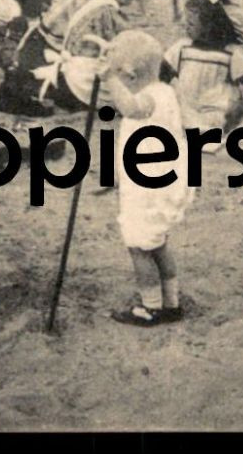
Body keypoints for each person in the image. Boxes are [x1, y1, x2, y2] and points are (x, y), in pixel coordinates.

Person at [97, 30, 194, 326]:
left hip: (148, 186)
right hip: (160, 181)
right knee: (157, 243)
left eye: (121, 77)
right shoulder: (164, 92)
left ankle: (150, 307)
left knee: (138, 244)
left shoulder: (149, 98)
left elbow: (130, 108)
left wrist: (109, 80)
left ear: (131, 74)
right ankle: (171, 301)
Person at [162, 0, 243, 139]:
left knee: (217, 127)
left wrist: (242, 106)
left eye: (191, 24)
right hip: (188, 106)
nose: (186, 28)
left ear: (208, 26)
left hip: (216, 107)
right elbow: (162, 73)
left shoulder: (229, 52)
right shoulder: (182, 47)